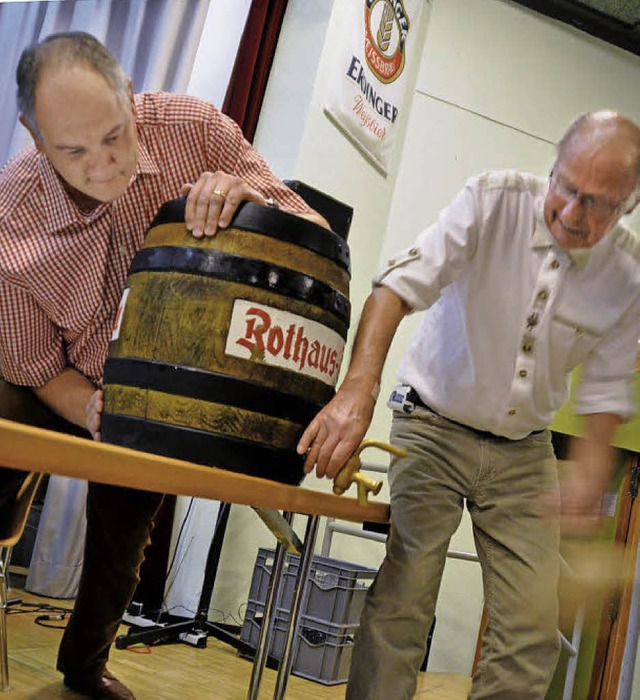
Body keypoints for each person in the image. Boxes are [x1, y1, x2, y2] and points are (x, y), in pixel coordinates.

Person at [0, 31, 328, 700]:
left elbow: (315, 233)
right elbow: (34, 366)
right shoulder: (9, 216)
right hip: (50, 378)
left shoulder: (193, 126)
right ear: (37, 140)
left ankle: (84, 666)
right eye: (74, 150)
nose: (104, 164)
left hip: (154, 384)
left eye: (115, 134)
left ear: (129, 96)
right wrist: (85, 406)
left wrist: (249, 198)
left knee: (125, 531)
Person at [297, 110, 640, 699]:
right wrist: (357, 392)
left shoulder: (627, 276)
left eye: (597, 204)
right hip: (430, 424)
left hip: (523, 452)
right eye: (565, 187)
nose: (570, 212)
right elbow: (396, 289)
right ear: (553, 165)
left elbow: (607, 388)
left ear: (628, 205)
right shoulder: (490, 200)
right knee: (408, 593)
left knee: (532, 627)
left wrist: (587, 473)